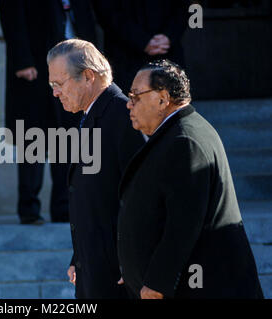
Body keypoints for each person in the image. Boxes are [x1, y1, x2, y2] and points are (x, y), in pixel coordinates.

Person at [117, 59, 264, 299]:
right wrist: (133, 266)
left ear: (163, 99)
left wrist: (157, 282)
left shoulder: (184, 140)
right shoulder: (175, 133)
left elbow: (184, 223)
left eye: (136, 96)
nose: (129, 104)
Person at [47, 39, 144, 298]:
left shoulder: (124, 116)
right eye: (51, 85)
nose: (55, 92)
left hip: (118, 273)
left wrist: (133, 261)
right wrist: (78, 256)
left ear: (88, 76)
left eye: (59, 83)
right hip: (94, 265)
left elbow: (142, 196)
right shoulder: (91, 115)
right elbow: (93, 198)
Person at [0, 0, 97, 224]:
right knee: (33, 139)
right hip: (35, 69)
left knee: (65, 140)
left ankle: (62, 207)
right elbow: (13, 18)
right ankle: (29, 208)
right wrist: (22, 61)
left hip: (72, 72)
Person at [92, 0, 189, 93]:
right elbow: (106, 11)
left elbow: (184, 7)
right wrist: (142, 41)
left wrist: (169, 36)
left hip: (168, 54)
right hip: (125, 56)